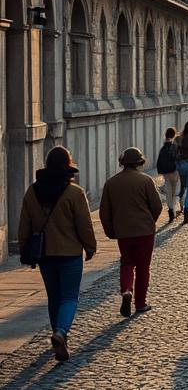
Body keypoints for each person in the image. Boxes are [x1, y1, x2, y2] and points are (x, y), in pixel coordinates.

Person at [16, 148, 97, 362]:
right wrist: (90, 246)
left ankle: (58, 336)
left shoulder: (32, 192)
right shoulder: (75, 193)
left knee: (54, 297)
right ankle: (61, 332)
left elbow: (24, 225)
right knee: (69, 297)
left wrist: (25, 249)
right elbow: (84, 225)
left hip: (45, 254)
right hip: (70, 253)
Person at [100, 148, 163, 317]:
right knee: (143, 267)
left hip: (123, 232)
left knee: (127, 263)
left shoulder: (111, 183)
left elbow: (104, 212)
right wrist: (150, 221)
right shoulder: (146, 180)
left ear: (122, 162)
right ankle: (140, 303)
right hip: (145, 231)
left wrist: (110, 231)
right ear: (140, 162)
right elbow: (157, 206)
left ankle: (126, 290)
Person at [155, 127, 181, 223]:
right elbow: (179, 158)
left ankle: (170, 210)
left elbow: (159, 161)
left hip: (166, 173)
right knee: (174, 192)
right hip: (174, 171)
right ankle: (174, 210)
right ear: (174, 135)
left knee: (169, 192)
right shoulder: (175, 146)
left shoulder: (163, 148)